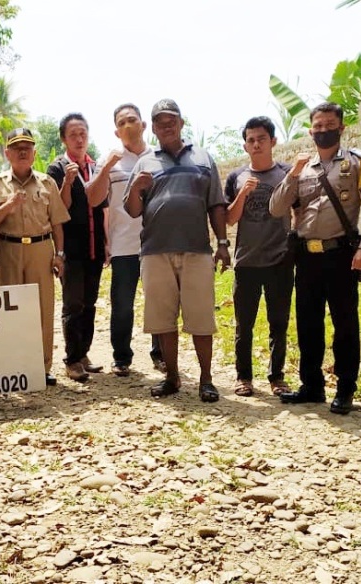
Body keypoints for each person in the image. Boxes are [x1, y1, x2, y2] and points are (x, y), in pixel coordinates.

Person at [270, 102, 361, 415]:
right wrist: (293, 173)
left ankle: (345, 389)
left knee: (345, 324)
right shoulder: (301, 168)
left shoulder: (359, 161)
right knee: (308, 324)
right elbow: (277, 208)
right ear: (310, 130)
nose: (323, 130)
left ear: (341, 127)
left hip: (341, 256)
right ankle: (311, 386)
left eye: (329, 125)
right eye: (318, 126)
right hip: (306, 257)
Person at [124, 99, 231, 401]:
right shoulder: (145, 162)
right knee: (163, 319)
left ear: (182, 123)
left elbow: (216, 204)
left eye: (172, 120)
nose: (167, 125)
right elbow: (132, 210)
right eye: (160, 121)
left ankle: (206, 380)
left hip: (197, 250)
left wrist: (223, 244)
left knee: (201, 318)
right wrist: (135, 189)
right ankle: (172, 377)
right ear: (153, 128)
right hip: (156, 252)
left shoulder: (203, 158)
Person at [0, 128, 71, 386]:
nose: (22, 151)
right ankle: (12, 366)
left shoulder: (47, 182)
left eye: (27, 147)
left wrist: (60, 254)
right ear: (7, 153)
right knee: (8, 307)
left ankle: (42, 367)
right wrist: (8, 204)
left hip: (41, 249)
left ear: (34, 153)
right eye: (17, 147)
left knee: (42, 308)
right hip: (9, 248)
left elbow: (57, 223)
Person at [86, 103, 164, 377]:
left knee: (159, 301)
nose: (128, 125)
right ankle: (121, 357)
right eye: (122, 122)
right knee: (122, 304)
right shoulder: (110, 161)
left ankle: (162, 354)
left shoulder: (160, 156)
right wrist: (106, 167)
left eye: (133, 120)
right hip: (123, 246)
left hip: (157, 244)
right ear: (117, 132)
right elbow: (94, 200)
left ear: (144, 125)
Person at [224, 116, 293, 397]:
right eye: (251, 140)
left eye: (261, 139)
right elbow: (230, 219)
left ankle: (277, 377)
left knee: (279, 322)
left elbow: (297, 210)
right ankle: (244, 377)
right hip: (246, 261)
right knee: (245, 324)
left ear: (273, 142)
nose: (256, 144)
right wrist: (242, 194)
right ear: (245, 145)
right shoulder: (235, 177)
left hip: (280, 260)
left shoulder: (288, 173)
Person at [47, 113, 107, 382]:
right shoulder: (57, 169)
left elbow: (102, 206)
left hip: (94, 247)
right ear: (63, 139)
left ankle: (83, 354)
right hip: (71, 249)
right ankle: (71, 360)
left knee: (90, 303)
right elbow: (60, 209)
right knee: (72, 304)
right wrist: (68, 182)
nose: (79, 139)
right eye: (73, 134)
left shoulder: (95, 166)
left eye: (83, 133)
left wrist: (106, 242)